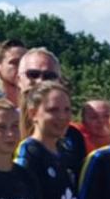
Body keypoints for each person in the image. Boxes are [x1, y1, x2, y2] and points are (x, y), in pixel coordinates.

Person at [16, 47, 87, 180]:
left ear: (59, 81)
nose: (40, 81)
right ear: (18, 79)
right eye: (33, 74)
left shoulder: (72, 136)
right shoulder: (3, 127)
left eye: (49, 76)